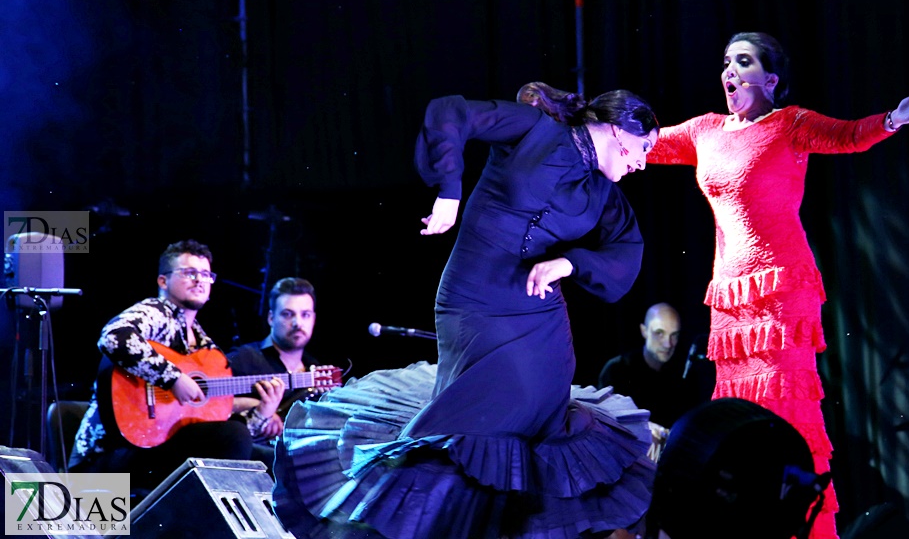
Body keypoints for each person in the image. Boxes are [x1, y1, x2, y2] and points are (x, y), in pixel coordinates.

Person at [273, 83, 661, 538]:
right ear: (617, 130)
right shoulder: (536, 129)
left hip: (541, 321)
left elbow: (627, 251)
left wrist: (570, 262)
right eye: (642, 148)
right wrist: (450, 191)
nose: (642, 162)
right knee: (472, 427)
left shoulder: (603, 193)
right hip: (475, 298)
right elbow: (449, 112)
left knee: (533, 437)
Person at [646, 32, 909, 539]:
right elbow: (646, 144)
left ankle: (805, 530)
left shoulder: (790, 124)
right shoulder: (705, 131)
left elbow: (848, 135)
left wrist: (892, 120)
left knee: (783, 410)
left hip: (781, 289)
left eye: (743, 61)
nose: (730, 70)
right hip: (730, 297)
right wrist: (587, 121)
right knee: (737, 418)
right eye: (726, 61)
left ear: (771, 79)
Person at [68, 239, 282, 491]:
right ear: (163, 281)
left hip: (159, 446)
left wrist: (262, 414)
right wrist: (173, 378)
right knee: (233, 437)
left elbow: (215, 424)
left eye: (205, 274)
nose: (199, 280)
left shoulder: (205, 346)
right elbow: (114, 336)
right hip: (111, 453)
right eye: (189, 273)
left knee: (253, 450)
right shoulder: (158, 312)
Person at [227, 277, 323, 467]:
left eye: (305, 315)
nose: (297, 323)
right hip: (253, 464)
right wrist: (255, 405)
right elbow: (204, 402)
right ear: (271, 318)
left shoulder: (315, 369)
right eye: (288, 314)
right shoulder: (244, 358)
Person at [598, 302, 712, 460]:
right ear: (644, 331)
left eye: (674, 335)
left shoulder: (684, 374)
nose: (668, 344)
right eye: (659, 333)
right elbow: (603, 424)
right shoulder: (617, 370)